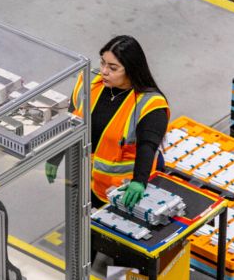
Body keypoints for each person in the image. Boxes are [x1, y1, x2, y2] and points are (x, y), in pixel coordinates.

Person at [46, 35, 170, 209]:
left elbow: (147, 148)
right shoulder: (89, 81)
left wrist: (139, 182)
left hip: (126, 190)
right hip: (90, 183)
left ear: (131, 70)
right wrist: (56, 155)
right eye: (103, 62)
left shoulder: (150, 105)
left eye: (113, 68)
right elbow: (72, 120)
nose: (104, 71)